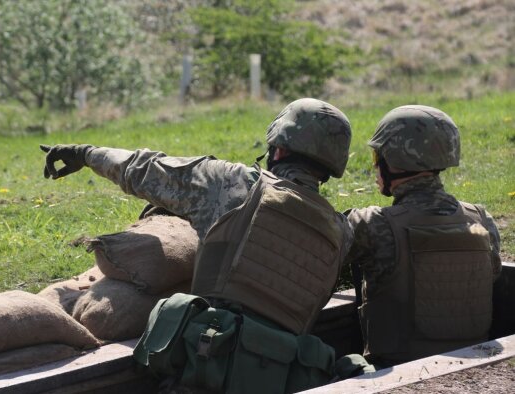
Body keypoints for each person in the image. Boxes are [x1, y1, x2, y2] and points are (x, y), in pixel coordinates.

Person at [41, 98, 355, 391]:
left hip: (203, 370)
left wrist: (85, 153)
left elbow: (145, 169)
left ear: (278, 149)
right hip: (275, 380)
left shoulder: (235, 185)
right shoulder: (341, 232)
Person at [345, 105, 502, 368]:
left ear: (392, 161)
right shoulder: (480, 218)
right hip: (474, 365)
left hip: (399, 373)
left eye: (376, 158)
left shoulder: (373, 224)